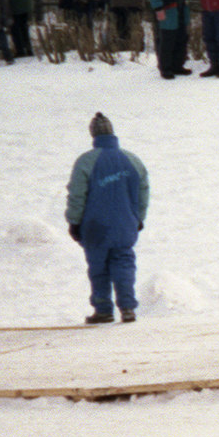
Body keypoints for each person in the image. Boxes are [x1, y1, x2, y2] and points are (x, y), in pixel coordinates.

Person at [65, 111, 149, 325]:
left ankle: (103, 309)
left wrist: (74, 221)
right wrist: (138, 217)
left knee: (98, 267)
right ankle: (128, 307)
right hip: (125, 225)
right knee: (124, 263)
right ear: (112, 133)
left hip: (95, 227)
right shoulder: (132, 160)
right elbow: (143, 192)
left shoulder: (86, 162)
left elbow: (77, 195)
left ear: (93, 135)